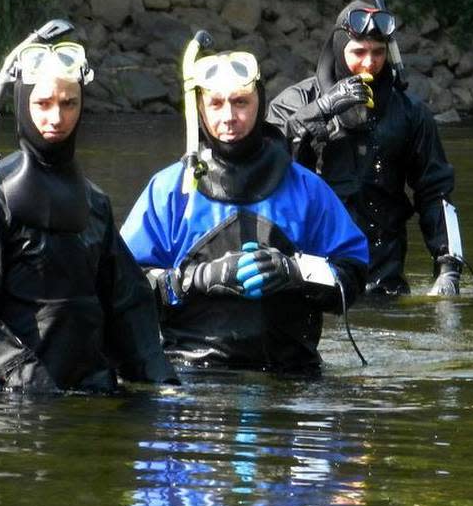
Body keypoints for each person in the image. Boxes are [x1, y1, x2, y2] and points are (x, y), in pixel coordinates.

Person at [0, 41, 177, 392]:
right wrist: (22, 372)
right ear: (23, 102)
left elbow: (129, 304)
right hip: (13, 401)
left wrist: (163, 379)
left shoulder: (95, 204)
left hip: (91, 392)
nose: (56, 118)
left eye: (69, 104)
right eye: (43, 103)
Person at [120, 40, 369, 372]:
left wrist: (296, 272)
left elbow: (352, 275)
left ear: (260, 102)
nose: (228, 117)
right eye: (216, 104)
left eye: (240, 103)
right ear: (198, 108)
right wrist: (193, 279)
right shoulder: (170, 191)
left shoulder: (306, 189)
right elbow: (122, 287)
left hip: (291, 376)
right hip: (192, 375)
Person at [267, 0, 463, 296]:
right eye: (358, 52)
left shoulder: (410, 113)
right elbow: (263, 174)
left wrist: (448, 267)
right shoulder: (296, 103)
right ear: (338, 49)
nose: (369, 64)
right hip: (311, 273)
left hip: (383, 276)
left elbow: (435, 192)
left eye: (378, 52)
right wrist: (319, 111)